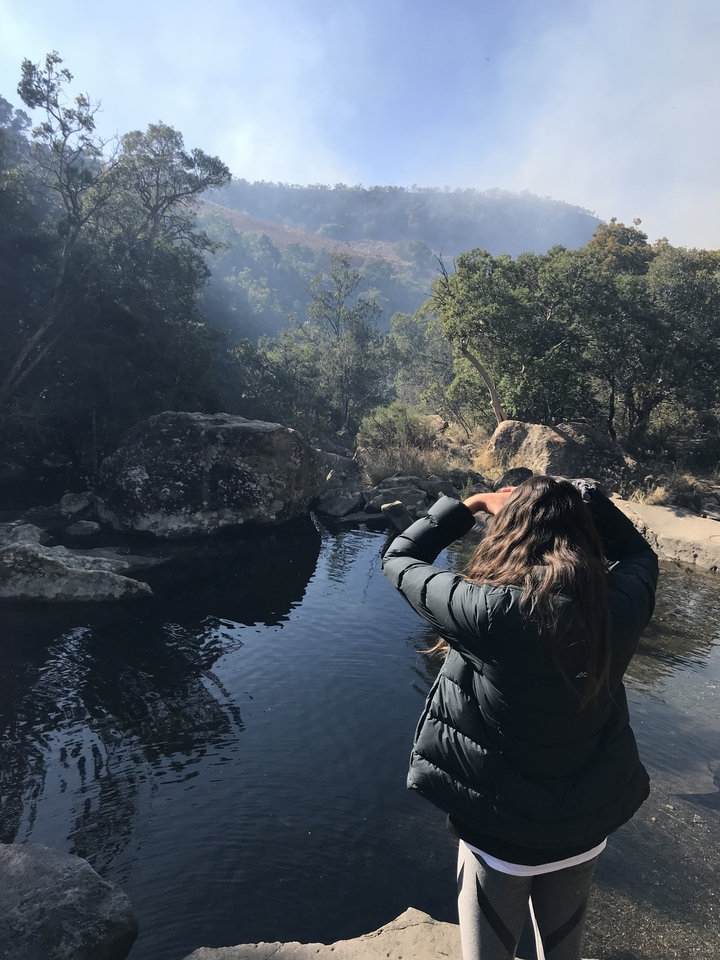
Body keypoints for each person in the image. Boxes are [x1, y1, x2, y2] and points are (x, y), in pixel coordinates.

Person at [381, 476, 658, 960]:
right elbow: (640, 556)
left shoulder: (487, 610)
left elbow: (399, 559)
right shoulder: (620, 605)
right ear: (584, 533)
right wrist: (587, 500)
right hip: (583, 828)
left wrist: (471, 505)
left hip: (496, 837)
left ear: (509, 531)